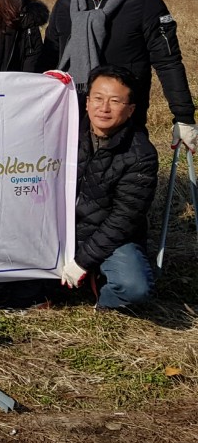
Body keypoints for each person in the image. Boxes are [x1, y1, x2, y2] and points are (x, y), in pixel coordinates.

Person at [40, 0, 197, 147]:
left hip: (126, 123)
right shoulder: (65, 5)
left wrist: (183, 116)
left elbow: (167, 61)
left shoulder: (144, 1)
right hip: (72, 119)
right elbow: (49, 62)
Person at [60, 66, 158, 311]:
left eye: (115, 101)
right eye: (98, 98)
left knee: (133, 287)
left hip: (110, 237)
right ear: (86, 102)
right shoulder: (67, 131)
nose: (104, 108)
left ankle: (101, 291)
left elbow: (123, 220)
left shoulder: (140, 155)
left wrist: (82, 262)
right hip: (63, 230)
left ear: (131, 109)